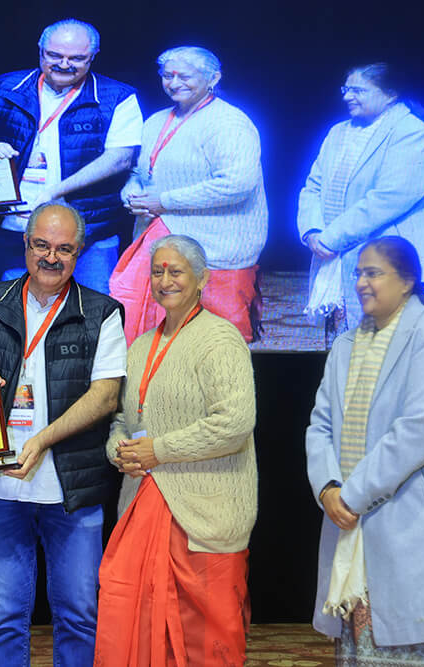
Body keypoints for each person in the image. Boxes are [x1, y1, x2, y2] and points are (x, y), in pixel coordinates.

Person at [0, 202, 127, 665]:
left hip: (72, 491)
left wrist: (41, 441)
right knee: (3, 618)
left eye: (64, 249)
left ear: (79, 252)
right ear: (25, 244)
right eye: (41, 245)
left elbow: (105, 397)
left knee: (79, 616)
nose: (51, 257)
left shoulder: (102, 312)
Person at [305, 236, 424, 665]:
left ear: (407, 281)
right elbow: (320, 425)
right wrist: (328, 488)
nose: (361, 283)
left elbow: (420, 430)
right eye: (358, 273)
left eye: (373, 273)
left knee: (414, 641)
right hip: (349, 518)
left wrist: (352, 495)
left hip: (410, 521)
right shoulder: (344, 345)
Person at [95, 234, 258, 665]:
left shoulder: (221, 339)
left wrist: (159, 450)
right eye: (157, 271)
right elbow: (122, 419)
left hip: (205, 515)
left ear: (201, 279)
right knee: (127, 613)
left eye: (176, 271)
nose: (165, 280)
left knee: (206, 641)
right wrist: (119, 450)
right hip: (143, 503)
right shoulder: (140, 346)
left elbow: (234, 423)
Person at [0, 18, 143, 294]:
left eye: (76, 58)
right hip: (17, 226)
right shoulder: (5, 87)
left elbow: (120, 158)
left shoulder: (117, 96)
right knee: (20, 306)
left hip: (90, 228)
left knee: (92, 307)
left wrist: (56, 191)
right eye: (55, 55)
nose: (64, 64)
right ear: (41, 50)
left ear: (93, 57)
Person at [118, 46, 268, 344]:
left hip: (216, 246)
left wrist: (164, 201)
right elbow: (141, 172)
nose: (174, 83)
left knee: (211, 343)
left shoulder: (229, 122)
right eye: (167, 75)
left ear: (214, 78)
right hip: (161, 237)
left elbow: (237, 183)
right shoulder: (156, 121)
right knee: (144, 328)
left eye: (184, 76)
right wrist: (131, 193)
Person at [297, 62, 424, 345]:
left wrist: (331, 238)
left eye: (358, 90)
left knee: (396, 348)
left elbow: (388, 198)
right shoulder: (338, 132)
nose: (347, 96)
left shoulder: (412, 133)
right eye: (345, 89)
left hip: (391, 256)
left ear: (390, 94)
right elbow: (313, 186)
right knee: (349, 349)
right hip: (341, 253)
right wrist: (312, 231)